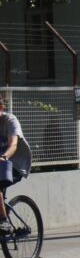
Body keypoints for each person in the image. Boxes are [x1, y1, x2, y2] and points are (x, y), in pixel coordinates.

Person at [0, 95, 32, 235]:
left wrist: (4, 156)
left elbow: (13, 145)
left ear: (1, 108)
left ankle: (4, 220)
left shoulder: (10, 120)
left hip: (16, 164)